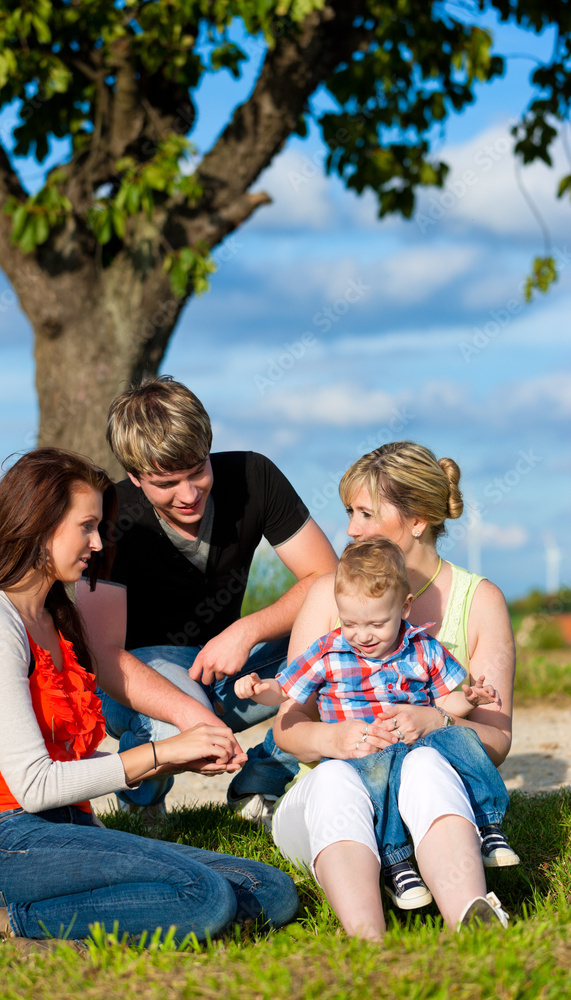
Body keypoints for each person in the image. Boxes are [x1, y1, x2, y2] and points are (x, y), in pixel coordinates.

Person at [0, 448, 298, 949]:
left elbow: (66, 764)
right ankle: (1, 924)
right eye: (87, 527)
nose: (98, 543)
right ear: (38, 524)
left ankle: (94, 922)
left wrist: (176, 759)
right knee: (204, 897)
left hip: (66, 827)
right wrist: (164, 751)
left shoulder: (55, 620)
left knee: (268, 889)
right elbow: (33, 786)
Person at [269, 441, 516, 940]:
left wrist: (439, 721)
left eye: (365, 513)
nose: (351, 529)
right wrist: (332, 741)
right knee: (338, 780)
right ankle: (370, 942)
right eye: (349, 513)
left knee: (426, 762)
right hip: (334, 801)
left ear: (418, 519)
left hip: (427, 798)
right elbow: (287, 727)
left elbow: (496, 743)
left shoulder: (480, 601)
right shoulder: (328, 593)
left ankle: (471, 917)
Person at [76, 376, 338, 826]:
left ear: (209, 447)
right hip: (134, 680)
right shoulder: (111, 514)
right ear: (136, 477)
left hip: (229, 666)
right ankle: (143, 801)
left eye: (197, 470)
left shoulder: (255, 476)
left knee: (347, 634)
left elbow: (330, 581)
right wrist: (191, 715)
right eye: (166, 483)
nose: (189, 493)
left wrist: (247, 630)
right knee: (175, 725)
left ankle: (262, 780)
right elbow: (103, 656)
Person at [237, 536, 517, 910]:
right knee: (376, 782)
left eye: (375, 623)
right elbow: (288, 689)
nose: (362, 635)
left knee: (460, 740)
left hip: (417, 754)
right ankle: (398, 867)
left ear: (405, 608)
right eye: (350, 623)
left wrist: (468, 699)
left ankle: (489, 826)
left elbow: (446, 699)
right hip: (364, 757)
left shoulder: (423, 649)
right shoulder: (330, 651)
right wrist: (260, 689)